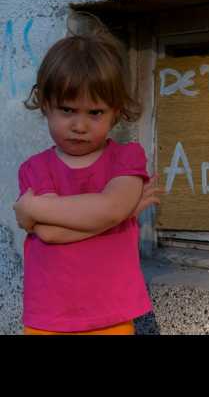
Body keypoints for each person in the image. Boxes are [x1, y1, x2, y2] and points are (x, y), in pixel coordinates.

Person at [13, 24, 161, 335]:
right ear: (45, 105)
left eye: (95, 113)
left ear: (115, 112)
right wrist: (122, 215)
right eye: (67, 110)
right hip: (49, 314)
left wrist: (31, 209)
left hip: (111, 311)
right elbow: (51, 233)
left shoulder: (126, 158)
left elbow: (108, 208)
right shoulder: (35, 168)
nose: (79, 125)